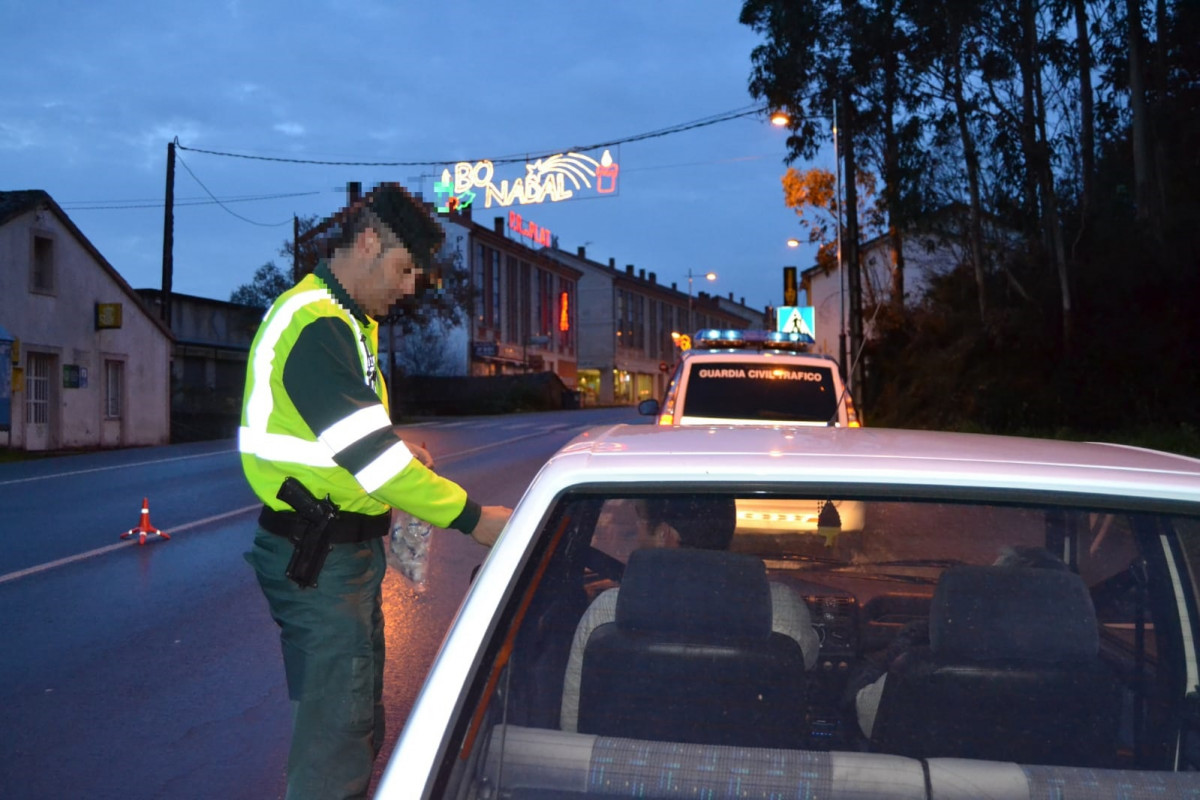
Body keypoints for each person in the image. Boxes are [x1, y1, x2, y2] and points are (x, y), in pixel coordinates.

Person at [239, 183, 511, 800]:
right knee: (337, 745)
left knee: (350, 727)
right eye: (405, 267)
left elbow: (348, 440)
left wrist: (394, 451)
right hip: (321, 562)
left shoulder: (345, 322)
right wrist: (474, 519)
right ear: (367, 242)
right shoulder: (316, 325)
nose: (411, 285)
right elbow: (371, 460)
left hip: (339, 557)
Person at [559, 494, 820, 732]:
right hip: (753, 779)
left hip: (624, 778)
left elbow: (574, 724)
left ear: (664, 535)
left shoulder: (607, 612)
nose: (635, 536)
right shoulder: (781, 608)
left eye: (638, 521)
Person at [847, 545, 1069, 741]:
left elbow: (860, 712)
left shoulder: (919, 671)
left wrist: (896, 652)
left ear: (990, 604)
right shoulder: (1091, 683)